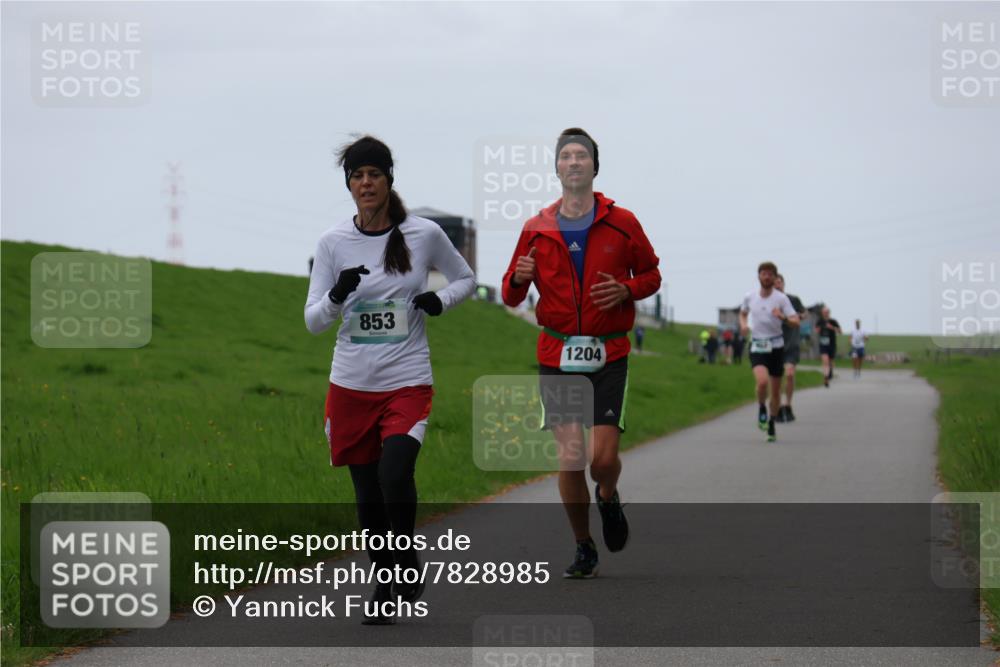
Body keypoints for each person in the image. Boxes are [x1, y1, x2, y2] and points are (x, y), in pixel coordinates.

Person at [304, 135, 475, 624]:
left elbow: (465, 279)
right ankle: (384, 580)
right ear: (349, 185)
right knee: (367, 493)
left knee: (394, 474)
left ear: (388, 180)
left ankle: (406, 558)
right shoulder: (333, 242)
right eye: (357, 176)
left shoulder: (423, 234)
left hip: (406, 379)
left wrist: (438, 301)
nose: (366, 183)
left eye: (374, 174)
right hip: (351, 385)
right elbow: (313, 321)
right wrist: (337, 295)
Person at [502, 128, 661, 579]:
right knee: (571, 456)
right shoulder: (536, 228)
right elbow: (510, 295)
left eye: (582, 155)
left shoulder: (623, 222)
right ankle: (583, 545)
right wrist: (519, 278)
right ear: (556, 168)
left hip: (609, 354)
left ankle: (607, 496)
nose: (574, 162)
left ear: (594, 166)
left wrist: (626, 289)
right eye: (566, 156)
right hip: (557, 355)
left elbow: (651, 275)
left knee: (602, 461)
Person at [739, 262, 800, 442]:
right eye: (764, 274)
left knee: (775, 392)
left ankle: (772, 422)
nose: (766, 277)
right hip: (757, 344)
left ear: (774, 278)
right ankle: (761, 407)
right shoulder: (750, 297)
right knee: (762, 382)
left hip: (776, 347)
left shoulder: (781, 299)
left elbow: (795, 321)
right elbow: (743, 313)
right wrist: (744, 325)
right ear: (759, 276)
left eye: (770, 274)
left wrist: (783, 317)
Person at [774, 274, 806, 422]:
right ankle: (778, 407)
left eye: (779, 282)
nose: (777, 285)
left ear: (783, 284)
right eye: (775, 283)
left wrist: (800, 315)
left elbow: (804, 313)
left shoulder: (793, 300)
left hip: (791, 343)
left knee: (789, 374)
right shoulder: (769, 302)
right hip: (775, 344)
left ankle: (788, 404)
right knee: (776, 378)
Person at [815, 306, 841, 387]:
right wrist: (818, 329)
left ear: (829, 313)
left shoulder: (833, 321)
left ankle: (830, 372)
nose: (826, 314)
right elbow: (816, 330)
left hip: (832, 344)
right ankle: (825, 378)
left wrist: (832, 327)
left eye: (827, 312)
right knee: (825, 361)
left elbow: (840, 331)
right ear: (822, 313)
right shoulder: (820, 321)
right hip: (823, 344)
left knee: (831, 362)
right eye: (824, 312)